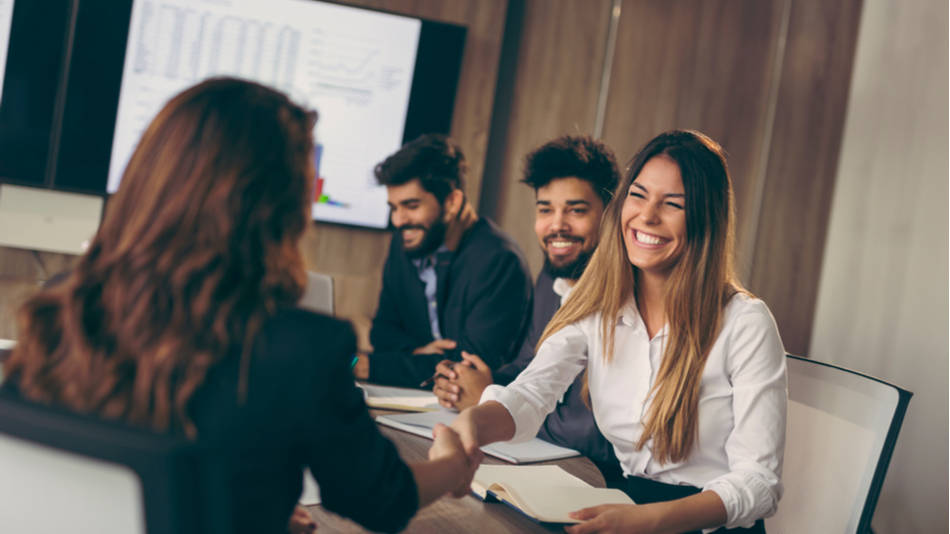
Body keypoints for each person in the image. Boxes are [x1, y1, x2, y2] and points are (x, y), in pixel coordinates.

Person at [0, 78, 478, 534]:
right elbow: (381, 500)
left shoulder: (64, 305)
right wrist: (452, 464)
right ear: (279, 207)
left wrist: (247, 507)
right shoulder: (301, 348)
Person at [450, 130, 787, 534]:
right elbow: (531, 394)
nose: (646, 216)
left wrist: (650, 521)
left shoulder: (745, 323)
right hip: (624, 504)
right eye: (639, 195)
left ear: (704, 218)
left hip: (705, 523)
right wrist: (471, 427)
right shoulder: (599, 305)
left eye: (672, 204)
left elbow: (759, 484)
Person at [431, 135, 623, 479]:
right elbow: (530, 363)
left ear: (610, 215)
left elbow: (598, 434)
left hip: (601, 478)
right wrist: (476, 382)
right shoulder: (553, 274)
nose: (557, 225)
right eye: (545, 209)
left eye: (576, 210)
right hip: (547, 463)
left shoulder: (628, 295)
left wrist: (491, 404)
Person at [353, 134, 533, 388]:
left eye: (411, 205)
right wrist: (419, 353)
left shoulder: (500, 261)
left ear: (452, 202)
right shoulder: (404, 243)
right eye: (394, 208)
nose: (398, 220)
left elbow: (471, 367)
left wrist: (373, 366)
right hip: (416, 399)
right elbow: (383, 333)